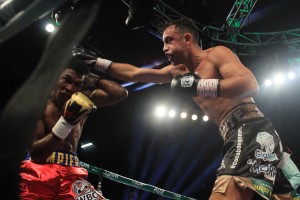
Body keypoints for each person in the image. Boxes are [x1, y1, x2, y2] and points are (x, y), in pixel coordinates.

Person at [73, 18, 300, 200]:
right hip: (240, 134)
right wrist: (96, 63)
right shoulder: (177, 72)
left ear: (187, 39)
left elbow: (250, 85)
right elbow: (133, 73)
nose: (164, 48)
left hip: (249, 129)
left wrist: (200, 85)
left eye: (169, 41)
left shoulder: (216, 55)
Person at [19, 57, 128, 199]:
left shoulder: (84, 99)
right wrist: (66, 123)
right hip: (39, 171)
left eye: (77, 84)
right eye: (67, 80)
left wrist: (92, 77)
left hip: (71, 174)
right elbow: (36, 155)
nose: (70, 88)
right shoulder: (38, 105)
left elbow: (120, 93)